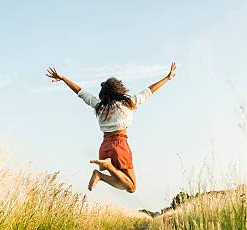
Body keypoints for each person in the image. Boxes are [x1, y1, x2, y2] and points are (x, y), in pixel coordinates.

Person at [45, 63, 177, 193]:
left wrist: (64, 79)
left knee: (122, 183)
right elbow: (149, 91)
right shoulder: (128, 103)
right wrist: (167, 78)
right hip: (120, 145)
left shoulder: (99, 106)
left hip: (105, 147)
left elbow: (81, 92)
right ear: (119, 90)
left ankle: (100, 175)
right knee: (131, 187)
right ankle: (106, 167)